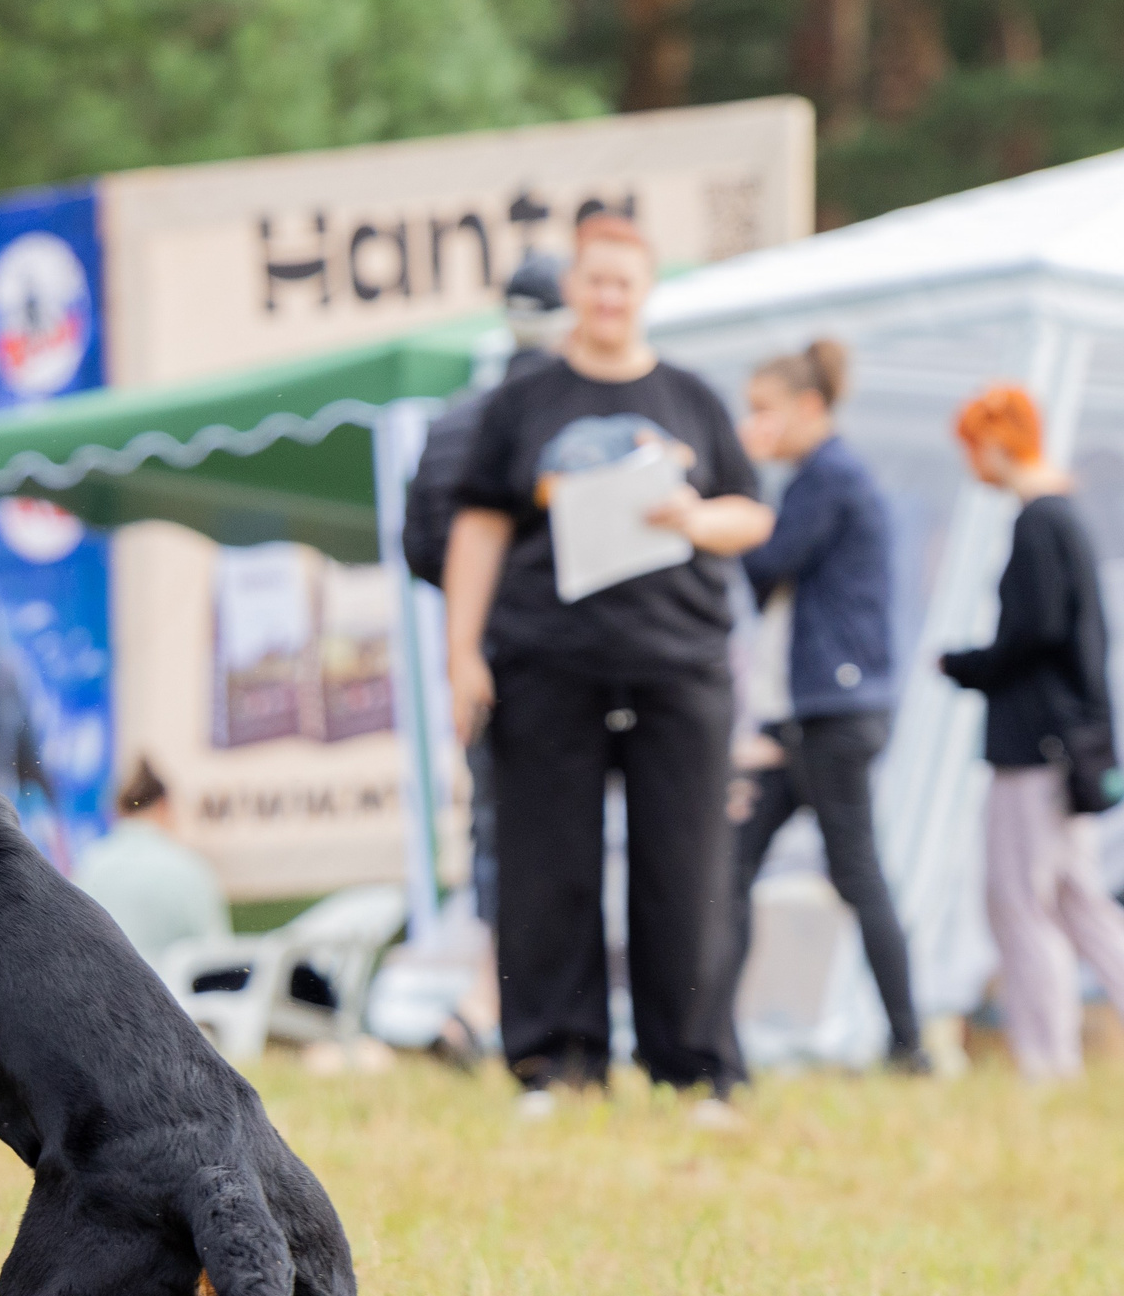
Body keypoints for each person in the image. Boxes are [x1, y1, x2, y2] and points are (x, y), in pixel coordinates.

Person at [441, 215, 774, 1111]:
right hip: (548, 661)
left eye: (624, 282)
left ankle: (694, 1067)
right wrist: (460, 654)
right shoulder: (520, 404)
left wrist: (695, 519)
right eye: (594, 281)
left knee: (689, 868)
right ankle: (557, 1062)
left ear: (646, 288)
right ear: (574, 288)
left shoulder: (693, 399)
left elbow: (752, 514)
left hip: (681, 662)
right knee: (546, 868)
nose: (608, 298)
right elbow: (477, 527)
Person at [711, 341, 925, 1071]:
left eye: (764, 411)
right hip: (811, 714)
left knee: (853, 872)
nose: (756, 425)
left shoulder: (826, 477)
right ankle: (718, 1040)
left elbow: (766, 563)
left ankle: (909, 1045)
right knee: (736, 868)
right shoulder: (826, 477)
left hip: (830, 713)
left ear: (809, 407)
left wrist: (734, 483)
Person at [402, 249, 570, 1060]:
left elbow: (419, 549)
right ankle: (501, 1011)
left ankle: (486, 1005)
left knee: (496, 831)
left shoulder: (452, 420)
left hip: (476, 657)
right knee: (565, 837)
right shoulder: (566, 416)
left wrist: (472, 612)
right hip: (559, 655)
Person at [939, 384, 1124, 1081]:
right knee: (1082, 901)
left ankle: (1047, 1062)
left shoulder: (1038, 520)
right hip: (1071, 740)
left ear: (990, 443)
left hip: (1037, 745)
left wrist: (965, 664)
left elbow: (1034, 631)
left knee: (1020, 901)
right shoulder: (1066, 519)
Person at [72, 758, 227, 962]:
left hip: (97, 990)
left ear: (119, 809)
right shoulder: (187, 866)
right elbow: (216, 954)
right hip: (168, 991)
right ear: (164, 805)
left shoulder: (88, 863)